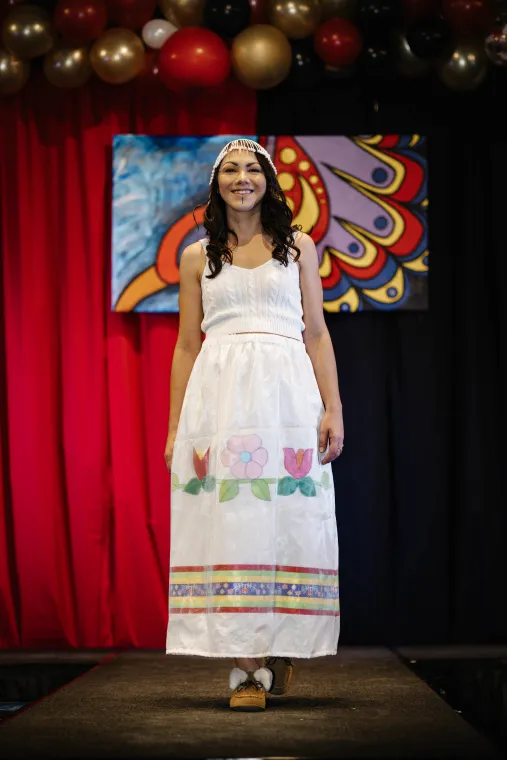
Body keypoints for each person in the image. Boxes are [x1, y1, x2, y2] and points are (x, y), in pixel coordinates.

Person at [164, 138, 343, 712]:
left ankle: (277, 643)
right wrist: (174, 428)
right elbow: (188, 343)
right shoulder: (197, 255)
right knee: (232, 519)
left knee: (285, 516)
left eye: (253, 169)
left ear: (268, 179)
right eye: (232, 170)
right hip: (220, 398)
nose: (243, 178)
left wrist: (332, 407)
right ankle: (245, 669)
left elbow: (316, 332)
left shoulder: (298, 248)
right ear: (218, 184)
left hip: (287, 394)